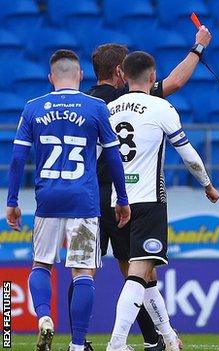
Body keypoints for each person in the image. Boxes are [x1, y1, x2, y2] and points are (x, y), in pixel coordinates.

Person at [71, 26, 212, 351]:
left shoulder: (88, 103)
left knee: (83, 271)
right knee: (138, 269)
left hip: (88, 196)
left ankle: (79, 344)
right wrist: (198, 48)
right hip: (126, 196)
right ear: (122, 72)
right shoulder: (132, 100)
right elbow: (174, 82)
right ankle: (144, 340)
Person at [5, 49, 130, 351]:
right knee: (83, 271)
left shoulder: (33, 108)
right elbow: (113, 155)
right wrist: (122, 197)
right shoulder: (96, 106)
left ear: (51, 78)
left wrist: (11, 200)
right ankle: (76, 345)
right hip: (83, 198)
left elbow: (18, 158)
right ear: (80, 75)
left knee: (41, 264)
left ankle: (45, 317)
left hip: (48, 197)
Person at [105, 51, 219, 351]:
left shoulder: (109, 109)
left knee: (148, 275)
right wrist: (207, 184)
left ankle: (169, 338)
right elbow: (189, 155)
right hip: (148, 201)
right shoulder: (161, 107)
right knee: (139, 274)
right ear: (153, 76)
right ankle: (116, 343)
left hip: (117, 202)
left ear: (123, 76)